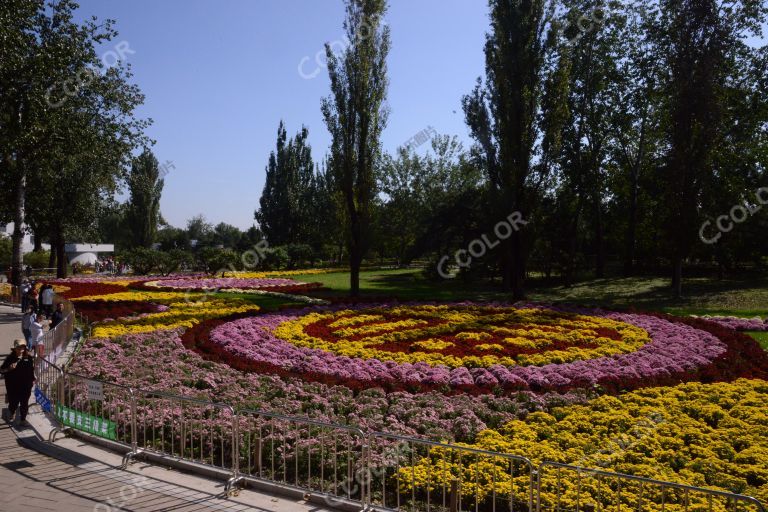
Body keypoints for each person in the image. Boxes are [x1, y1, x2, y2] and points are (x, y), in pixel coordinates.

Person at [1, 339, 36, 426]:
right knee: (13, 402)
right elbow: (1, 370)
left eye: (22, 348)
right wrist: (9, 368)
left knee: (24, 403)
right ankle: (12, 411)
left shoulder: (28, 358)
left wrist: (33, 379)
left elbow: (31, 369)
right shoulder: (10, 359)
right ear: (14, 349)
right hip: (13, 386)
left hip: (26, 385)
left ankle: (23, 419)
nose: (21, 350)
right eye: (18, 348)